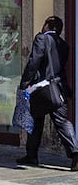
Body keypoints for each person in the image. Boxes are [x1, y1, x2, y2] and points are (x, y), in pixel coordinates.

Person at [17, 14, 78, 169]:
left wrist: (24, 83)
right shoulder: (63, 44)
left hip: (42, 88)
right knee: (62, 121)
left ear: (47, 26)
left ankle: (31, 155)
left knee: (35, 119)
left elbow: (34, 62)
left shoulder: (41, 39)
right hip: (59, 89)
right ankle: (75, 153)